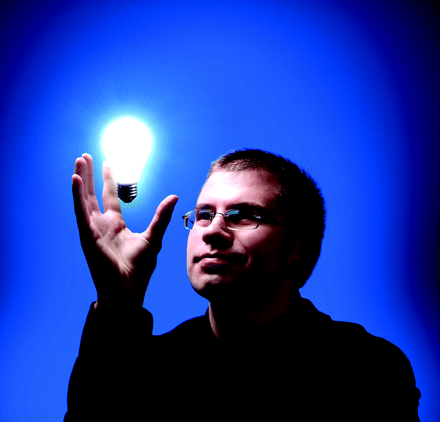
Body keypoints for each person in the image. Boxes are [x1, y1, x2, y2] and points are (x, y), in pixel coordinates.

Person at [65, 149, 421, 421]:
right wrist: (118, 304)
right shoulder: (149, 368)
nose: (213, 231)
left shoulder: (367, 369)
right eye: (204, 214)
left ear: (299, 248)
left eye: (246, 215)